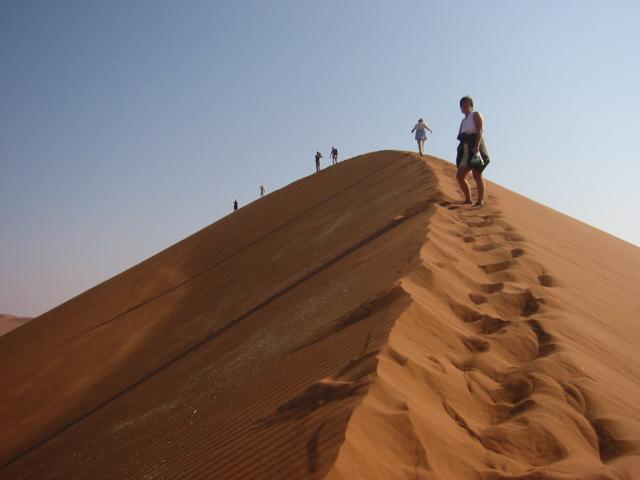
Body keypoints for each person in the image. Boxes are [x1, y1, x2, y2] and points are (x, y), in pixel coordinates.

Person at [456, 96, 490, 206]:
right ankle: (468, 200)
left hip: (475, 146)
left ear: (471, 105)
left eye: (466, 103)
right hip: (465, 149)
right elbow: (460, 136)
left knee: (477, 174)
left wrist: (477, 146)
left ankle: (480, 201)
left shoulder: (475, 115)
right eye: (462, 105)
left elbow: (480, 131)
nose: (464, 106)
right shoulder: (463, 121)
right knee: (460, 175)